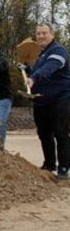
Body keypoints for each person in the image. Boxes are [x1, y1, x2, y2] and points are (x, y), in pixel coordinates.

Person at [26, 23, 70, 179]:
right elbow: (35, 71)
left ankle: (64, 167)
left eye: (44, 33)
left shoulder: (59, 51)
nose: (41, 36)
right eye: (38, 34)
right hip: (41, 100)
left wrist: (33, 77)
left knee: (60, 132)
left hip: (60, 98)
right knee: (44, 133)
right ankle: (49, 164)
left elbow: (49, 68)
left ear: (52, 34)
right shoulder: (39, 55)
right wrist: (26, 68)